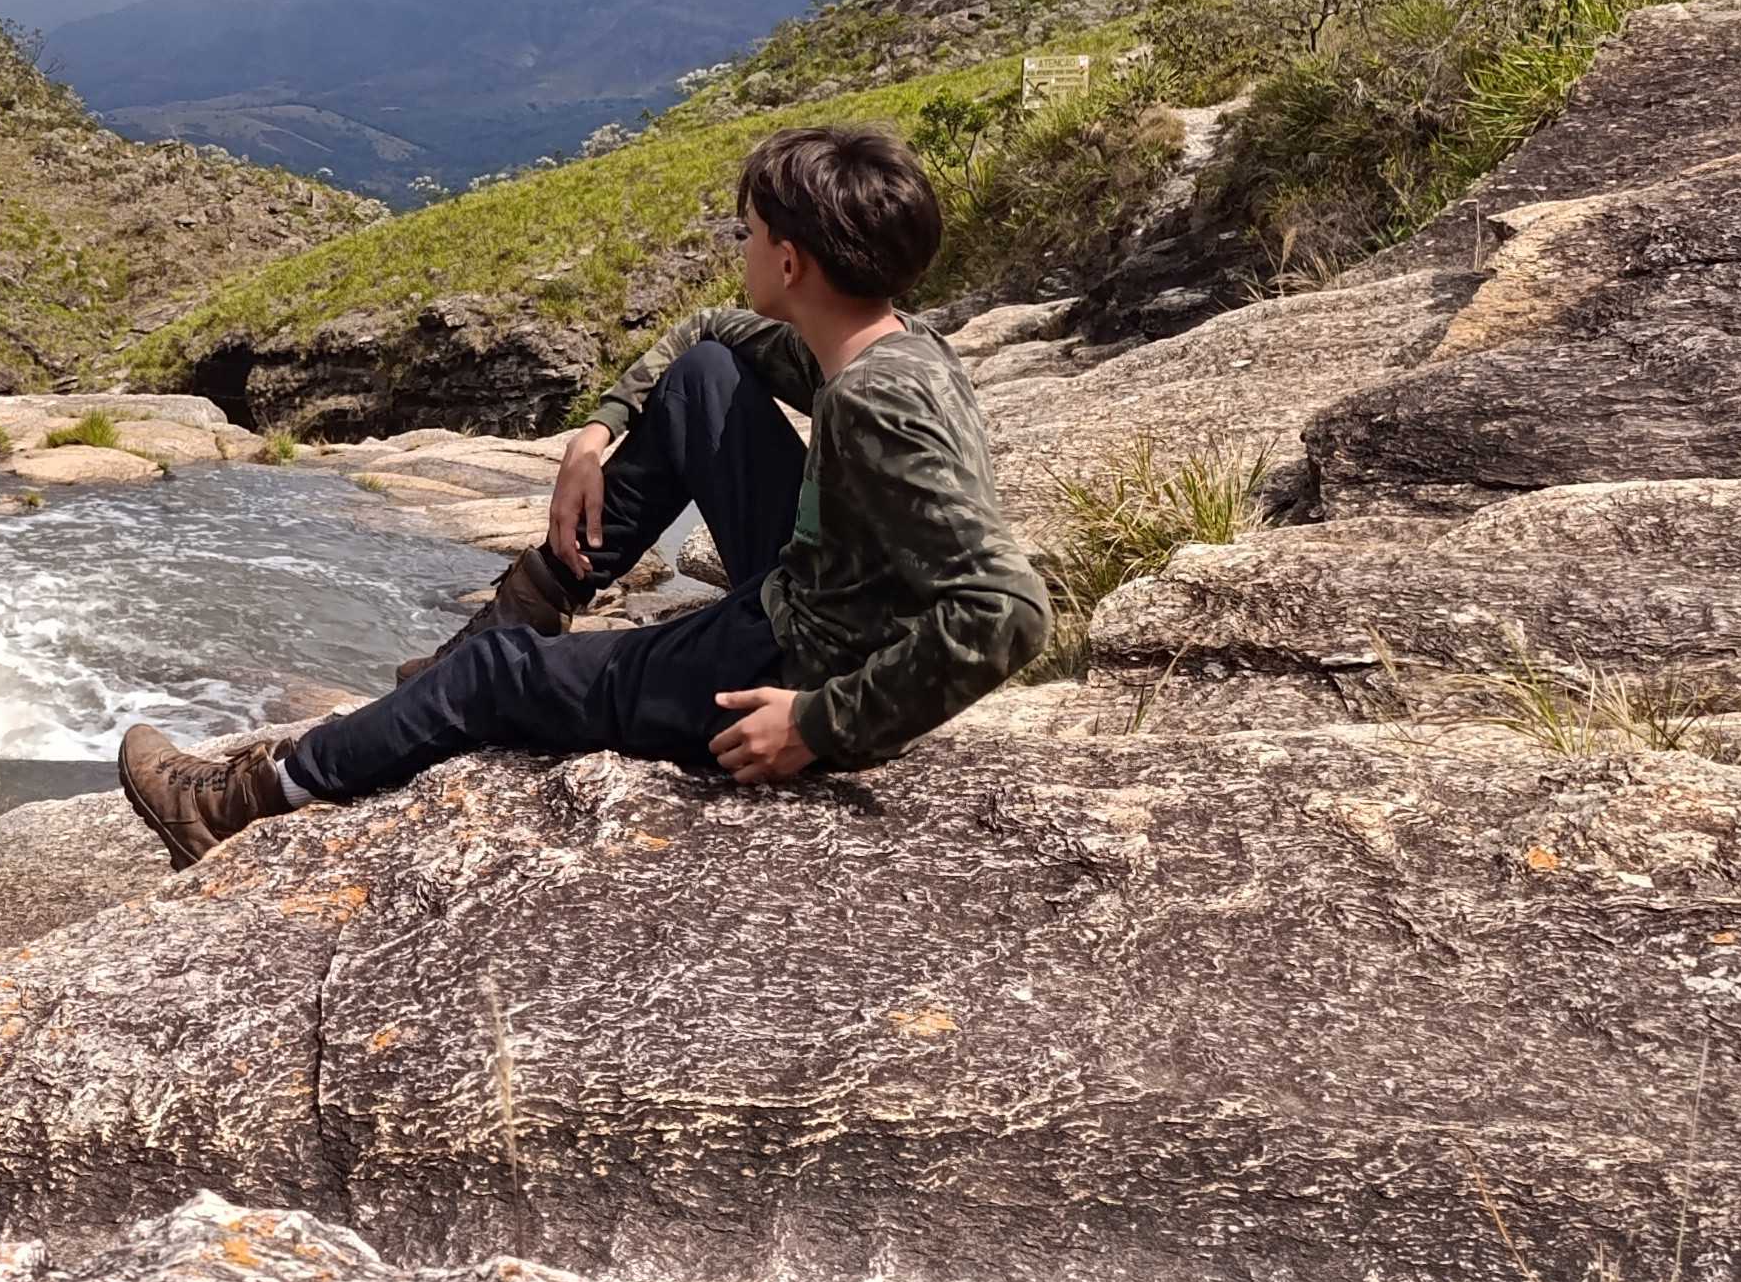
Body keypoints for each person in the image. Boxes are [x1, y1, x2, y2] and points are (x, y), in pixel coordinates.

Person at [116, 124, 1051, 864]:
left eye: (752, 234)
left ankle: (240, 804)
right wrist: (596, 433)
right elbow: (704, 332)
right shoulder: (882, 342)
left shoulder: (878, 402)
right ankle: (507, 623)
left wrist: (816, 721)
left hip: (793, 663)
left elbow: (1007, 610)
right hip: (820, 594)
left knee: (494, 681)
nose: (745, 251)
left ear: (794, 261)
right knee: (707, 381)